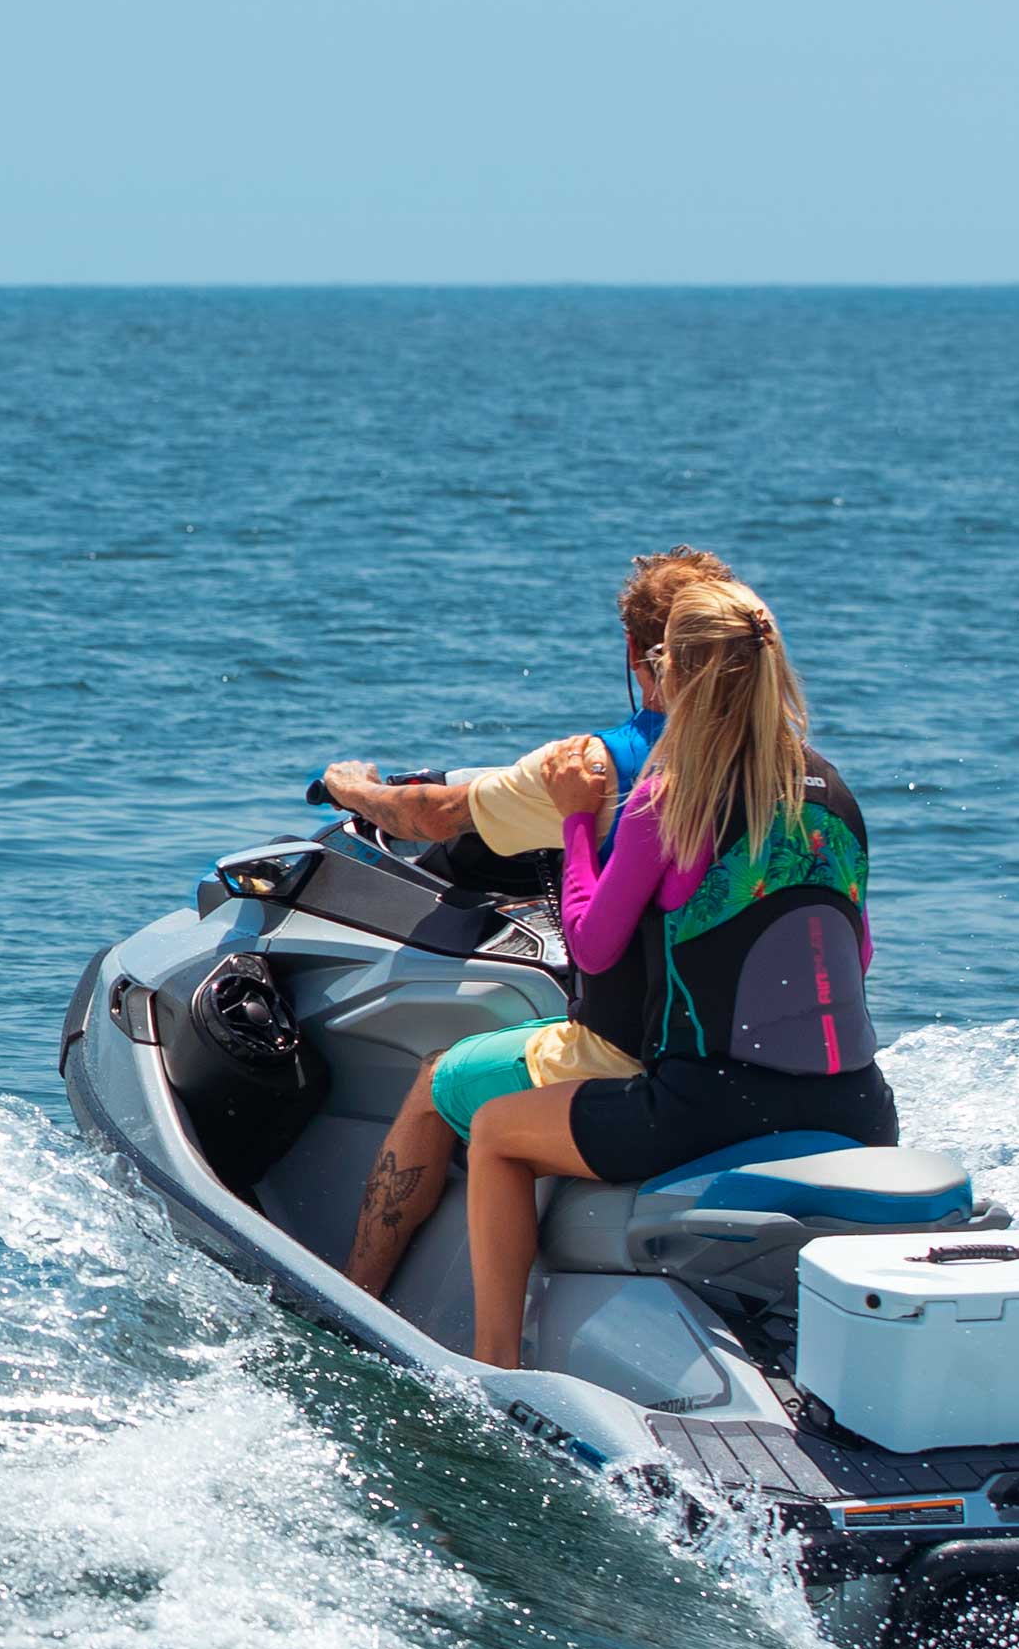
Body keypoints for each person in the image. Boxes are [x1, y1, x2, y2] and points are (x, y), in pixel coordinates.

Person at [454, 573, 891, 1366]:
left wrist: (580, 825)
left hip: (709, 1104)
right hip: (861, 1108)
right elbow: (855, 957)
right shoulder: (837, 793)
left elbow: (591, 944)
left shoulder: (672, 794)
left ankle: (494, 1370)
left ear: (678, 671)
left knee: (494, 1134)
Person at [332, 549, 724, 1302]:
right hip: (749, 1052)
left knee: (438, 1080)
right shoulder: (785, 766)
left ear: (637, 654)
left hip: (645, 1058)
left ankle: (357, 1299)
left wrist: (357, 789)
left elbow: (433, 817)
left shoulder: (598, 765)